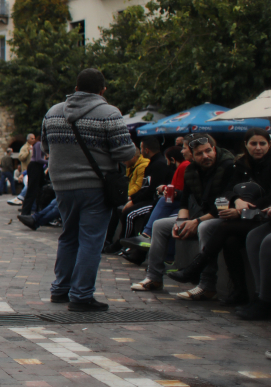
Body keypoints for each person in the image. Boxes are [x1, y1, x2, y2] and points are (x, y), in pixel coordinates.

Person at [41, 68, 136, 311]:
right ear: (103, 90)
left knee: (68, 236)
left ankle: (60, 288)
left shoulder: (53, 112)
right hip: (95, 186)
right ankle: (81, 295)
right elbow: (126, 153)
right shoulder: (109, 113)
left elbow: (46, 147)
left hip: (62, 186)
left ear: (75, 89)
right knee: (91, 240)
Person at [169, 130, 271, 310]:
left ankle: (197, 269)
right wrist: (236, 199)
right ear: (246, 145)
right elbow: (228, 191)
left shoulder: (228, 165)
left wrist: (242, 210)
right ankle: (240, 291)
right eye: (253, 143)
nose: (258, 148)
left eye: (262, 143)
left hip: (260, 217)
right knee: (230, 241)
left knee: (223, 228)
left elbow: (267, 197)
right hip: (243, 216)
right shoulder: (241, 164)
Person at [131, 134, 236, 300]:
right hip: (200, 216)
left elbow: (224, 204)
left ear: (214, 149)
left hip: (221, 216)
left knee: (204, 227)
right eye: (199, 153)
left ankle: (207, 286)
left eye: (208, 151)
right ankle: (154, 277)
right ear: (192, 156)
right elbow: (185, 202)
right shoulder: (191, 170)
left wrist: (196, 221)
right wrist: (181, 222)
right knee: (160, 225)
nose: (206, 156)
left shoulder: (228, 166)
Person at [105, 139, 171, 252]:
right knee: (119, 209)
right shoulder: (151, 164)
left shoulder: (158, 165)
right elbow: (144, 187)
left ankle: (123, 244)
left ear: (146, 150)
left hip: (154, 201)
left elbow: (151, 190)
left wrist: (133, 200)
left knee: (129, 214)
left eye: (141, 148)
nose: (140, 151)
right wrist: (132, 198)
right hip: (146, 198)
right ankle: (109, 240)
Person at [21, 134, 46, 216]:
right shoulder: (38, 144)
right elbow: (38, 159)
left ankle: (38, 209)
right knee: (32, 189)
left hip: (38, 167)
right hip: (35, 166)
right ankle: (25, 211)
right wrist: (49, 162)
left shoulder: (40, 144)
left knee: (41, 189)